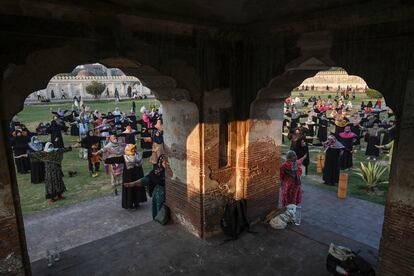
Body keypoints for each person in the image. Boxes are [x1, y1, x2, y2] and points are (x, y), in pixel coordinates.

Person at [104, 144, 147, 209]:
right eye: (132, 149)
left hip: (134, 175)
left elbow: (146, 153)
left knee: (136, 188)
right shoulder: (127, 157)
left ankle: (136, 202)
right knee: (131, 189)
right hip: (131, 176)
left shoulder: (137, 155)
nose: (134, 150)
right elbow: (115, 159)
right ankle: (131, 204)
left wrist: (153, 151)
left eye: (134, 149)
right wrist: (106, 160)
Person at [124, 155, 167, 219]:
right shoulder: (156, 172)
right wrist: (133, 184)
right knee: (157, 216)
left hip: (166, 198)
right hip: (157, 196)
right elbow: (147, 179)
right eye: (163, 162)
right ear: (160, 162)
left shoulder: (172, 174)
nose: (165, 164)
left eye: (167, 162)